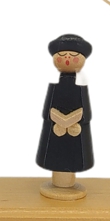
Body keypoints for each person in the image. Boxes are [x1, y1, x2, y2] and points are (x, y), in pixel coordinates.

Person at [36, 33, 93, 200]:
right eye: (62, 55)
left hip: (75, 129)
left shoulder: (81, 87)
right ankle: (60, 182)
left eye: (73, 55)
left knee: (73, 154)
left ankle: (66, 183)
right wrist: (58, 119)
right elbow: (47, 110)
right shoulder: (54, 87)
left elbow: (85, 112)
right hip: (56, 128)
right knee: (55, 152)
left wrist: (71, 120)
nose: (67, 58)